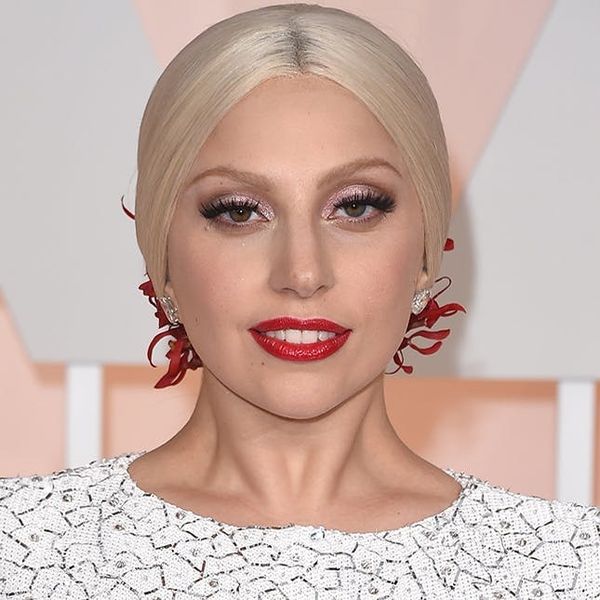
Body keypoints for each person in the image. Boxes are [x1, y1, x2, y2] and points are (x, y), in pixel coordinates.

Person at [1, 4, 598, 598]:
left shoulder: (567, 567)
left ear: (424, 251)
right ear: (163, 257)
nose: (303, 273)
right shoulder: (22, 549)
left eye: (356, 206)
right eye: (239, 212)